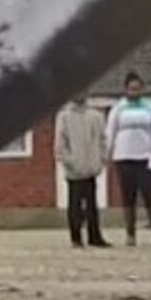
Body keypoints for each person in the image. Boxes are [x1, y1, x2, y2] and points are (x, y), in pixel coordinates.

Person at [105, 71, 151, 245]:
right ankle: (130, 234)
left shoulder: (150, 107)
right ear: (126, 90)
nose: (134, 92)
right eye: (131, 89)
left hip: (145, 157)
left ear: (142, 89)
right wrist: (107, 155)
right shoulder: (118, 108)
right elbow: (110, 133)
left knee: (150, 194)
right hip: (124, 157)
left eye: (137, 89)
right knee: (128, 195)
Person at [54, 94, 110, 248]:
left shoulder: (96, 116)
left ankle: (95, 236)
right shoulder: (64, 116)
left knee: (92, 204)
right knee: (75, 205)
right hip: (74, 170)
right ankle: (76, 237)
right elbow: (60, 144)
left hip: (91, 167)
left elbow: (103, 140)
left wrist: (101, 161)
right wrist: (70, 162)